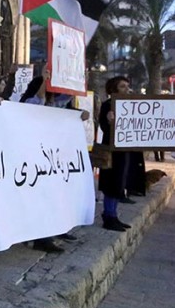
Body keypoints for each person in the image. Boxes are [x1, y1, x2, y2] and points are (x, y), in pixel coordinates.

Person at [20, 73, 88, 251]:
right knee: (40, 199)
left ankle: (55, 229)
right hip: (34, 162)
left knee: (55, 197)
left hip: (53, 160)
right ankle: (41, 238)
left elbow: (66, 98)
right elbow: (38, 101)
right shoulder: (30, 103)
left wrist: (77, 78)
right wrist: (45, 79)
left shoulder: (55, 105)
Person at [97, 76, 136, 232]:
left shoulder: (128, 105)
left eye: (127, 86)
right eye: (122, 86)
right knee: (111, 183)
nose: (127, 89)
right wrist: (109, 121)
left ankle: (113, 215)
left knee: (119, 182)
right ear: (113, 89)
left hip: (123, 150)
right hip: (112, 150)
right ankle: (109, 216)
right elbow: (105, 128)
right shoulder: (108, 105)